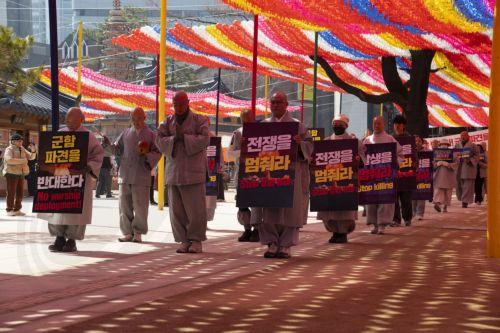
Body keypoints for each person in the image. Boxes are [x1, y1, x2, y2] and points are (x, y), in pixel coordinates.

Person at [39, 107, 104, 252]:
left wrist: (88, 166)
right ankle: (58, 237)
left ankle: (72, 240)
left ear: (82, 120)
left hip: (78, 178)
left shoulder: (88, 136)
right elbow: (49, 153)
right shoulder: (60, 133)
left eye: (74, 121)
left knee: (76, 210)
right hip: (60, 177)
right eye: (68, 121)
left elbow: (98, 155)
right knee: (58, 207)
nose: (71, 124)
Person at [259, 92, 313, 259]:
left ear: (286, 104)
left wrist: (300, 144)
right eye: (273, 102)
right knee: (268, 208)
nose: (275, 105)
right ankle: (272, 243)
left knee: (290, 209)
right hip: (269, 170)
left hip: (291, 172)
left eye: (279, 102)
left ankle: (286, 245)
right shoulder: (263, 125)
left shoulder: (298, 126)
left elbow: (310, 146)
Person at [156, 91, 210, 254]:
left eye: (181, 104)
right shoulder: (167, 122)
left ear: (188, 103)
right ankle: (183, 240)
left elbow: (205, 138)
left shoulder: (200, 120)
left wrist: (184, 138)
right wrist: (174, 139)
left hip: (193, 172)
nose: (178, 108)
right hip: (174, 172)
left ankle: (196, 240)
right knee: (176, 210)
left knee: (195, 210)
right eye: (175, 104)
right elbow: (158, 140)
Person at [114, 107, 161, 243]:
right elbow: (117, 149)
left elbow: (158, 152)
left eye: (139, 119)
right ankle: (127, 232)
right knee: (124, 205)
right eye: (133, 119)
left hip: (141, 174)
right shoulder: (126, 132)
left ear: (144, 118)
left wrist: (147, 156)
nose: (136, 122)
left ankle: (138, 232)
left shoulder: (152, 135)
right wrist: (109, 145)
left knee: (140, 206)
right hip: (125, 173)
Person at [317, 115, 362, 244]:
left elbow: (364, 157)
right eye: (335, 124)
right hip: (330, 180)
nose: (337, 126)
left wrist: (358, 160)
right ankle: (334, 231)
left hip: (346, 179)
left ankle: (342, 233)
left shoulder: (354, 142)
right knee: (330, 207)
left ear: (346, 126)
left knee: (344, 208)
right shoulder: (326, 141)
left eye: (340, 124)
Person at [362, 116, 403, 235]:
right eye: (374, 123)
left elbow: (400, 154)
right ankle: (374, 224)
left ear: (384, 124)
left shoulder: (390, 139)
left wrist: (394, 163)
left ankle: (382, 225)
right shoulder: (367, 140)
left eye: (379, 123)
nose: (376, 126)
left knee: (385, 200)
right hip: (371, 176)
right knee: (372, 201)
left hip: (386, 176)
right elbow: (363, 156)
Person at [228, 109, 261, 242]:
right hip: (241, 173)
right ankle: (246, 229)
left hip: (257, 174)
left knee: (257, 203)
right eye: (244, 119)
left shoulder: (261, 132)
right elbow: (229, 155)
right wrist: (242, 147)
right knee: (242, 203)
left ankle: (257, 230)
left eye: (249, 118)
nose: (247, 121)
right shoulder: (237, 133)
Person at [3, 133, 36, 216]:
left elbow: (31, 157)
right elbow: (8, 160)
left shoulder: (22, 148)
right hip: (11, 173)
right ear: (13, 141)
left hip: (21, 173)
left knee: (20, 192)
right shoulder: (9, 149)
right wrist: (22, 161)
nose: (21, 142)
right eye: (19, 141)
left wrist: (33, 151)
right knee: (11, 192)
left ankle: (17, 209)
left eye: (21, 141)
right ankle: (9, 209)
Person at [391, 115, 413, 227]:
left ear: (404, 125)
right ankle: (396, 219)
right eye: (395, 124)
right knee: (394, 197)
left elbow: (414, 156)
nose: (397, 126)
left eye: (399, 124)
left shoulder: (409, 138)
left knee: (406, 198)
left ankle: (407, 218)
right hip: (394, 172)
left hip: (407, 172)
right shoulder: (391, 139)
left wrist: (415, 168)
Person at [455, 131, 479, 208]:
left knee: (468, 186)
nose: (463, 137)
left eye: (464, 136)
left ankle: (465, 201)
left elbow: (477, 156)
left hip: (469, 167)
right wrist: (457, 157)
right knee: (460, 186)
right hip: (459, 168)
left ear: (468, 136)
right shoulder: (457, 145)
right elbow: (453, 155)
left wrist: (470, 160)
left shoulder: (473, 145)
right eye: (461, 136)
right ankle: (462, 199)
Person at [433, 139, 457, 213]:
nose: (444, 146)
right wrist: (437, 164)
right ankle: (437, 204)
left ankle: (445, 207)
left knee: (448, 192)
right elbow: (432, 164)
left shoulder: (453, 153)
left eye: (445, 144)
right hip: (439, 174)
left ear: (448, 145)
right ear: (440, 146)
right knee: (438, 190)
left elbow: (457, 163)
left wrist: (449, 164)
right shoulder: (435, 153)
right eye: (442, 144)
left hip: (449, 174)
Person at [412, 135, 428, 220]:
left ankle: (420, 213)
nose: (417, 142)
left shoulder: (426, 151)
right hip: (412, 175)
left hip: (423, 175)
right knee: (413, 195)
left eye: (418, 141)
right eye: (415, 141)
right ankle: (413, 212)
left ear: (422, 142)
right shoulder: (409, 152)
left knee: (421, 194)